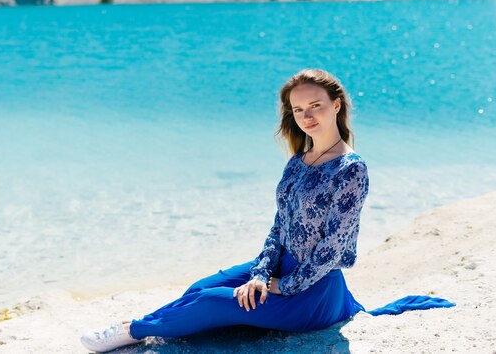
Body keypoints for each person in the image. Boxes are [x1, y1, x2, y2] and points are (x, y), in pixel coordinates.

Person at [80, 69, 455, 353]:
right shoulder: (297, 161)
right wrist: (261, 274)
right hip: (280, 267)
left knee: (212, 302)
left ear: (336, 106)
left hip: (313, 292)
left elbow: (332, 250)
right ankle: (151, 323)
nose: (307, 116)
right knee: (201, 288)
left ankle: (131, 330)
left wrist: (283, 285)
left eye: (316, 106)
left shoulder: (351, 168)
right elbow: (279, 228)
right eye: (298, 109)